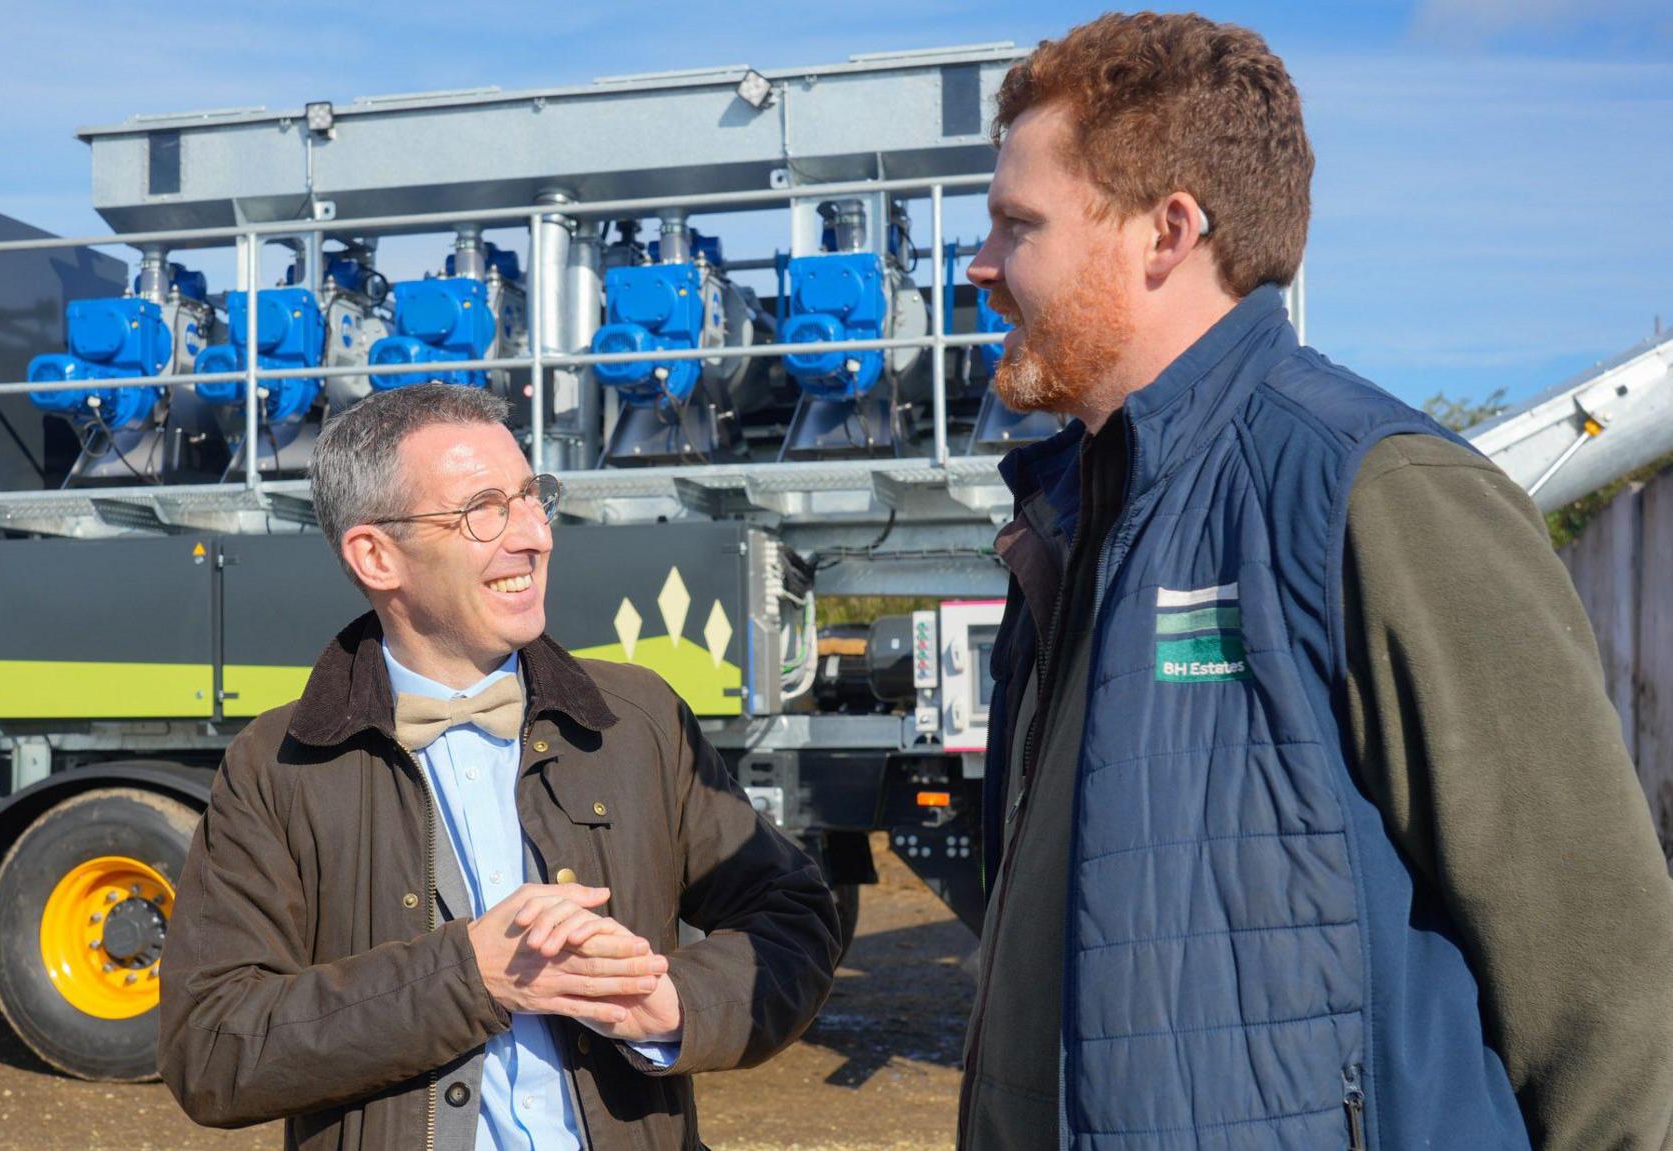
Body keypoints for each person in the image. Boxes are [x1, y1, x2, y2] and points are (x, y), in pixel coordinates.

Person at [957, 12, 1673, 1148]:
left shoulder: (1372, 492)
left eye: (1016, 225)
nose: (978, 264)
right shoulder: (1065, 521)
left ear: (1164, 233)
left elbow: (1604, 981)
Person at [158, 382, 839, 1151]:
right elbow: (210, 1048)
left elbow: (797, 914)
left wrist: (675, 1000)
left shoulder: (638, 719)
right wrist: (468, 977)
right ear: (377, 555)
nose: (535, 535)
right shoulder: (275, 765)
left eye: (530, 495)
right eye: (485, 508)